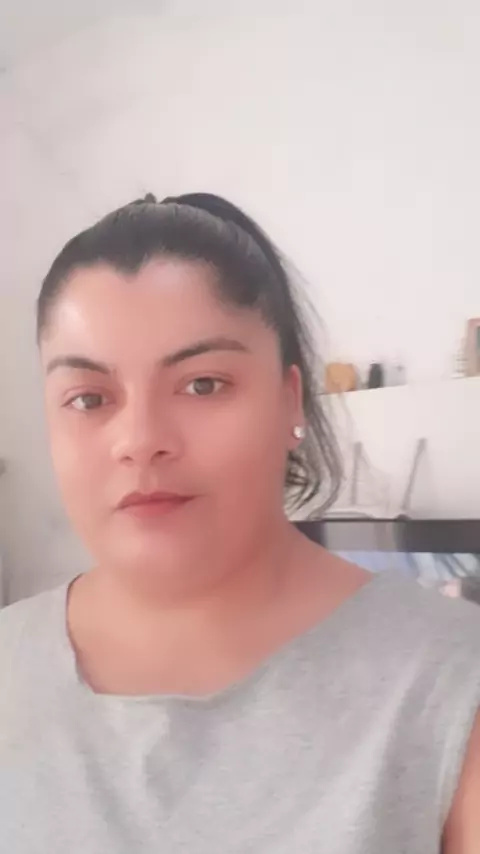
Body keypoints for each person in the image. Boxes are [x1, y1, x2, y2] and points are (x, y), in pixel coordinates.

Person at [1, 192, 479, 854]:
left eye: (202, 384)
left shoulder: (452, 685)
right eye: (88, 398)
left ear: (290, 400)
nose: (140, 440)